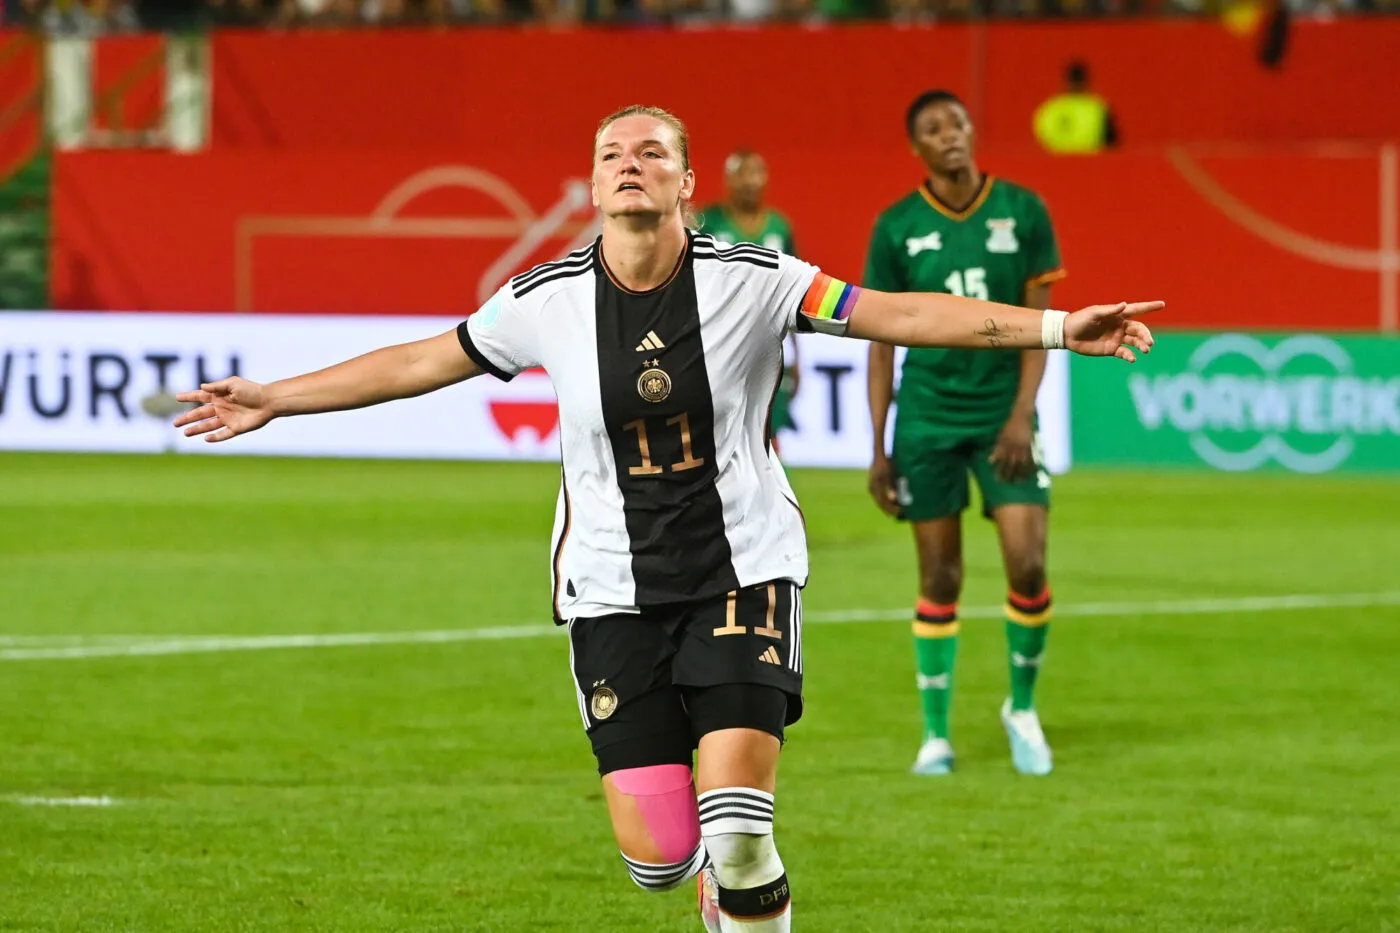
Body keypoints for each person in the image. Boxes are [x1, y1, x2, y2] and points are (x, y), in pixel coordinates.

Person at [174, 104, 1158, 932]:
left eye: (652, 153)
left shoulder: (758, 276)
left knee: (736, 827)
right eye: (613, 155)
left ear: (687, 182)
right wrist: (279, 397)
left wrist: (1056, 329)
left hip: (743, 573)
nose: (631, 166)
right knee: (660, 857)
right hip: (609, 586)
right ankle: (695, 880)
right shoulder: (541, 300)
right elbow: (418, 362)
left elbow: (898, 313)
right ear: (593, 188)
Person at [865, 89, 1069, 778]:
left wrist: (1020, 415)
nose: (949, 135)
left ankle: (1023, 708)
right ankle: (935, 734)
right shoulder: (895, 227)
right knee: (941, 575)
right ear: (915, 147)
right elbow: (880, 342)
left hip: (1000, 414)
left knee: (1029, 562)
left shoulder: (1023, 210)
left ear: (972, 130)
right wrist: (879, 446)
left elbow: (1041, 324)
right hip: (926, 417)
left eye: (956, 122)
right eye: (932, 128)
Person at [699, 150, 801, 456]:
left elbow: (793, 292)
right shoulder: (707, 223)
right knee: (716, 432)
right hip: (718, 343)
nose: (750, 182)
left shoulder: (779, 227)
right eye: (742, 173)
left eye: (756, 173)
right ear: (728, 179)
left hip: (769, 346)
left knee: (768, 433)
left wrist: (796, 354)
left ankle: (772, 500)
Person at [1032, 61, 1119, 155]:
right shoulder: (1097, 106)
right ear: (1086, 81)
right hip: (1088, 162)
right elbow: (1112, 142)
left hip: (1061, 163)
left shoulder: (1050, 108)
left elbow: (1042, 138)